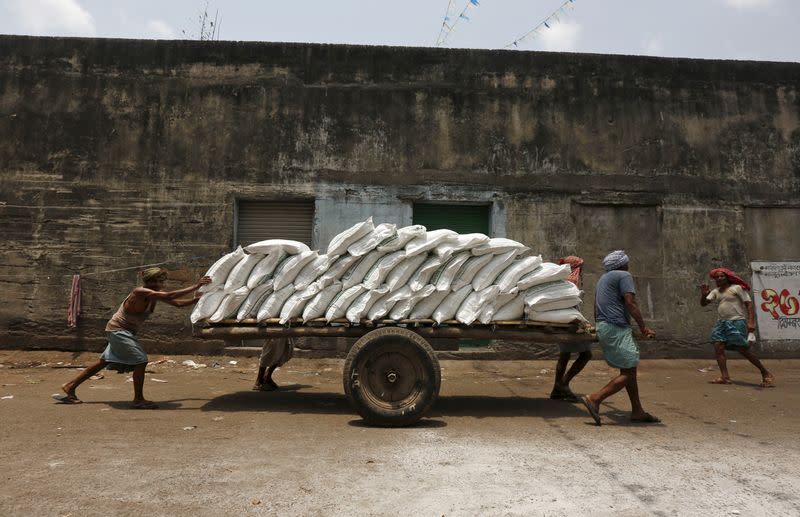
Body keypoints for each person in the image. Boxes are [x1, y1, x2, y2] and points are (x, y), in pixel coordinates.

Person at [54, 267, 211, 408]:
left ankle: (70, 386)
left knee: (103, 362)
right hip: (118, 331)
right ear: (150, 282)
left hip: (123, 332)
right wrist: (196, 286)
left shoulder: (154, 296)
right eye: (158, 280)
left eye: (162, 280)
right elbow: (170, 295)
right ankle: (138, 399)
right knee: (141, 360)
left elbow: (178, 304)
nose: (162, 283)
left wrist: (199, 299)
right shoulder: (140, 292)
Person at [581, 250, 660, 426]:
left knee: (628, 370)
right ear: (624, 263)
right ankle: (595, 398)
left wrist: (600, 325)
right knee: (629, 371)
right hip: (616, 327)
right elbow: (630, 302)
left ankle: (637, 410)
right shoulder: (624, 275)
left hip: (605, 326)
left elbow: (595, 305)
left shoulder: (604, 278)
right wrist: (643, 327)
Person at [700, 267, 775, 387]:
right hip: (721, 323)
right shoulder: (715, 291)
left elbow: (749, 305)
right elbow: (704, 304)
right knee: (718, 347)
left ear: (727, 277)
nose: (719, 278)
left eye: (722, 276)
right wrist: (703, 295)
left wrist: (751, 322)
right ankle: (725, 377)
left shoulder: (737, 288)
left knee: (742, 350)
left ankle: (765, 372)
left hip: (737, 322)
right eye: (717, 276)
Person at [550, 256, 592, 402]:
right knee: (586, 354)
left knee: (565, 354)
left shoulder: (561, 280)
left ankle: (557, 387)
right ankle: (563, 384)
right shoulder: (571, 282)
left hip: (562, 321)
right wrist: (580, 323)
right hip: (569, 323)